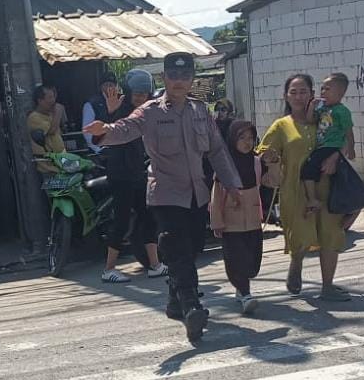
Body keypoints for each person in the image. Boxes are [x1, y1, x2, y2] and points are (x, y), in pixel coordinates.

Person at [84, 53, 242, 343]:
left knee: (192, 248)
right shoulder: (150, 111)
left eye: (185, 76)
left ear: (192, 79)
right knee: (177, 248)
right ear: (164, 78)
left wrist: (232, 184)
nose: (179, 82)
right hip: (166, 194)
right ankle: (191, 306)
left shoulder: (200, 111)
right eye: (173, 76)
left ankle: (173, 303)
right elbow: (125, 128)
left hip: (197, 194)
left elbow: (217, 150)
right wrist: (104, 130)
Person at [257, 74, 350, 302]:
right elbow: (263, 152)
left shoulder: (327, 118)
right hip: (295, 191)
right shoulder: (281, 126)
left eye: (303, 92)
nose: (298, 97)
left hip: (329, 188)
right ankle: (296, 263)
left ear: (312, 94)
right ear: (286, 96)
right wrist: (271, 162)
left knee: (331, 235)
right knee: (300, 235)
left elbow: (346, 138)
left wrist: (335, 157)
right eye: (294, 92)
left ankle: (327, 286)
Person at [99, 69, 167, 283]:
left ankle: (155, 265)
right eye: (136, 93)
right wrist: (111, 113)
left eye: (144, 94)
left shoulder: (146, 111)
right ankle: (109, 269)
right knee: (121, 221)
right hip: (121, 173)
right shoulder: (119, 108)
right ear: (128, 92)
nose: (140, 97)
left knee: (148, 217)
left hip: (138, 172)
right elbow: (104, 134)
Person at [211, 119, 264, 314]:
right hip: (231, 222)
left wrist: (274, 163)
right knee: (237, 259)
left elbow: (274, 181)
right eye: (242, 138)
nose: (247, 142)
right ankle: (245, 293)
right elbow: (217, 195)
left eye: (250, 138)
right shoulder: (225, 165)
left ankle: (241, 288)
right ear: (232, 139)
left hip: (253, 220)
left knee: (253, 262)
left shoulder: (256, 162)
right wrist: (217, 221)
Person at [301, 72, 355, 222]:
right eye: (322, 89)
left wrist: (351, 148)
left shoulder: (342, 111)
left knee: (308, 170)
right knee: (334, 181)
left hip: (332, 147)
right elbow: (310, 120)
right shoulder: (323, 108)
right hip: (322, 146)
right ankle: (348, 207)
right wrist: (311, 107)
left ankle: (312, 199)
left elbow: (349, 132)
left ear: (340, 93)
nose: (323, 92)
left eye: (327, 89)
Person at [81, 73, 124, 153]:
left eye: (111, 85)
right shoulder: (91, 104)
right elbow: (87, 130)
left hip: (122, 147)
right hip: (101, 150)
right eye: (106, 85)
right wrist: (98, 149)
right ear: (101, 87)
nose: (109, 87)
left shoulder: (122, 100)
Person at [28, 84, 65, 174]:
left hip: (60, 164)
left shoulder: (50, 115)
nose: (53, 101)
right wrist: (58, 112)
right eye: (50, 97)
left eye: (54, 97)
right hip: (49, 169)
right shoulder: (34, 117)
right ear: (40, 101)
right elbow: (51, 131)